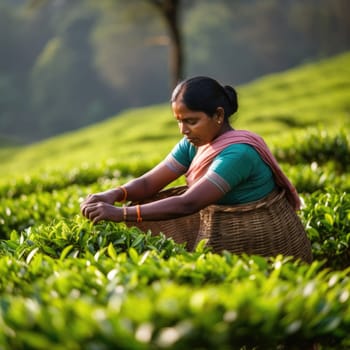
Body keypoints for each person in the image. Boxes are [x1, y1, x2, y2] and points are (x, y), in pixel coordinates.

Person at [81, 76, 312, 261]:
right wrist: (113, 194)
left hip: (264, 243)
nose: (183, 130)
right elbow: (148, 183)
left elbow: (189, 202)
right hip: (217, 237)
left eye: (191, 121)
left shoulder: (238, 153)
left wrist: (120, 214)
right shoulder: (193, 144)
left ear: (218, 115)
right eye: (179, 121)